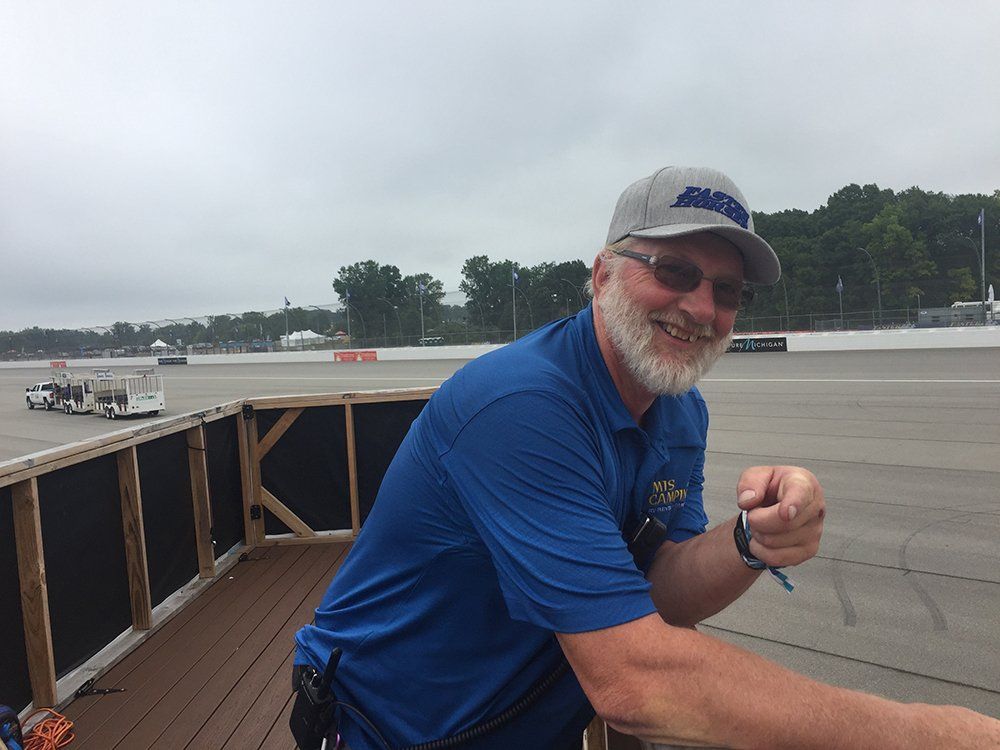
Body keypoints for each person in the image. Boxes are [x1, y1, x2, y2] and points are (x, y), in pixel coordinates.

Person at [294, 167, 1000, 749]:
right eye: (675, 269)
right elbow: (635, 682)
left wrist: (752, 540)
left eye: (728, 291)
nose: (702, 307)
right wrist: (919, 732)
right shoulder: (519, 405)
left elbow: (662, 590)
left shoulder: (680, 409)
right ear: (602, 275)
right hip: (394, 730)